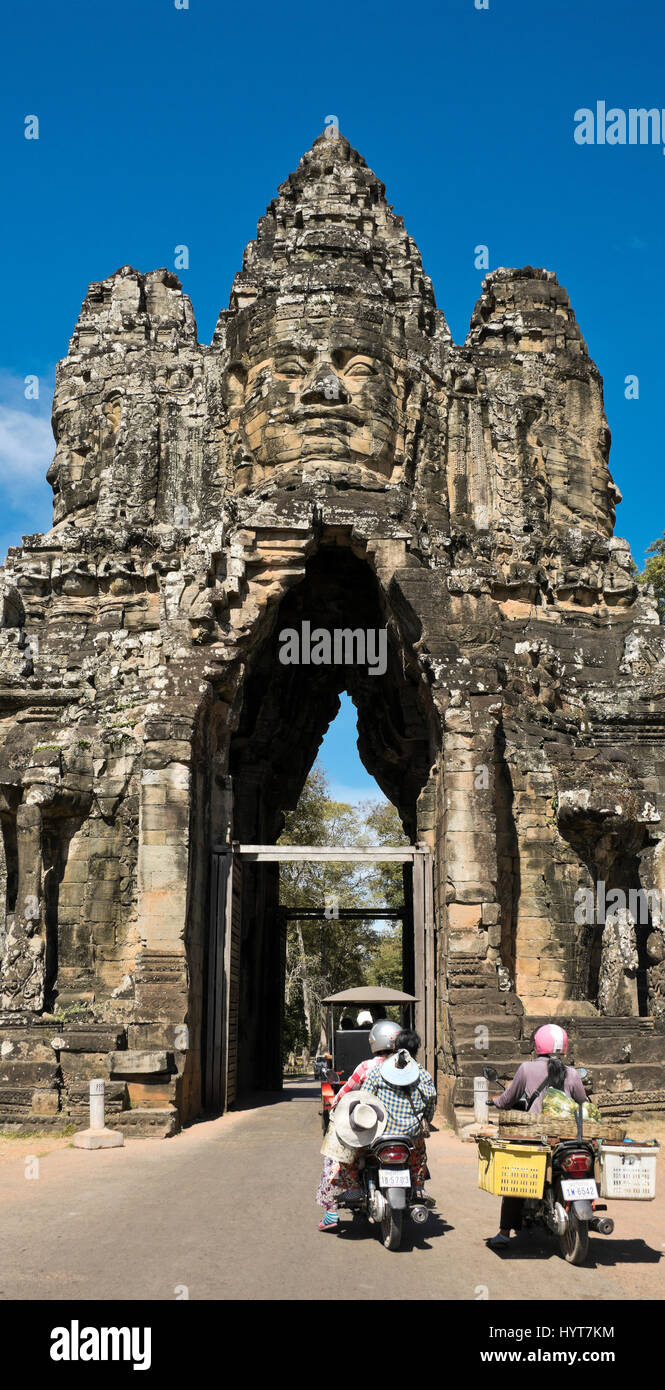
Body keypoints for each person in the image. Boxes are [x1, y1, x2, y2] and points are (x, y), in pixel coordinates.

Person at [487, 1023, 588, 1248]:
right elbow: (583, 1103)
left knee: (514, 1180)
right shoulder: (571, 1073)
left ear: (537, 1045)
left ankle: (504, 1233)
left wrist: (495, 1101)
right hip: (567, 1138)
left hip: (536, 1136)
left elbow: (507, 1099)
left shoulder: (526, 1069)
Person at [315, 1019, 401, 1231]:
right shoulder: (408, 1067)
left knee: (333, 1156)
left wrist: (334, 1107)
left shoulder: (367, 1067)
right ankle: (418, 1187)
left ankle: (332, 1210)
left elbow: (346, 1092)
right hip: (399, 1129)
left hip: (368, 1127)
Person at [360, 1028, 436, 1194]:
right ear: (417, 1050)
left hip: (381, 1134)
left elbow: (364, 1100)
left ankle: (355, 1188)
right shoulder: (424, 1076)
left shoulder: (376, 1073)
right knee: (419, 1154)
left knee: (358, 1152)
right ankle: (418, 1187)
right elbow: (430, 1108)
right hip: (411, 1136)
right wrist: (424, 1121)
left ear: (394, 1046)